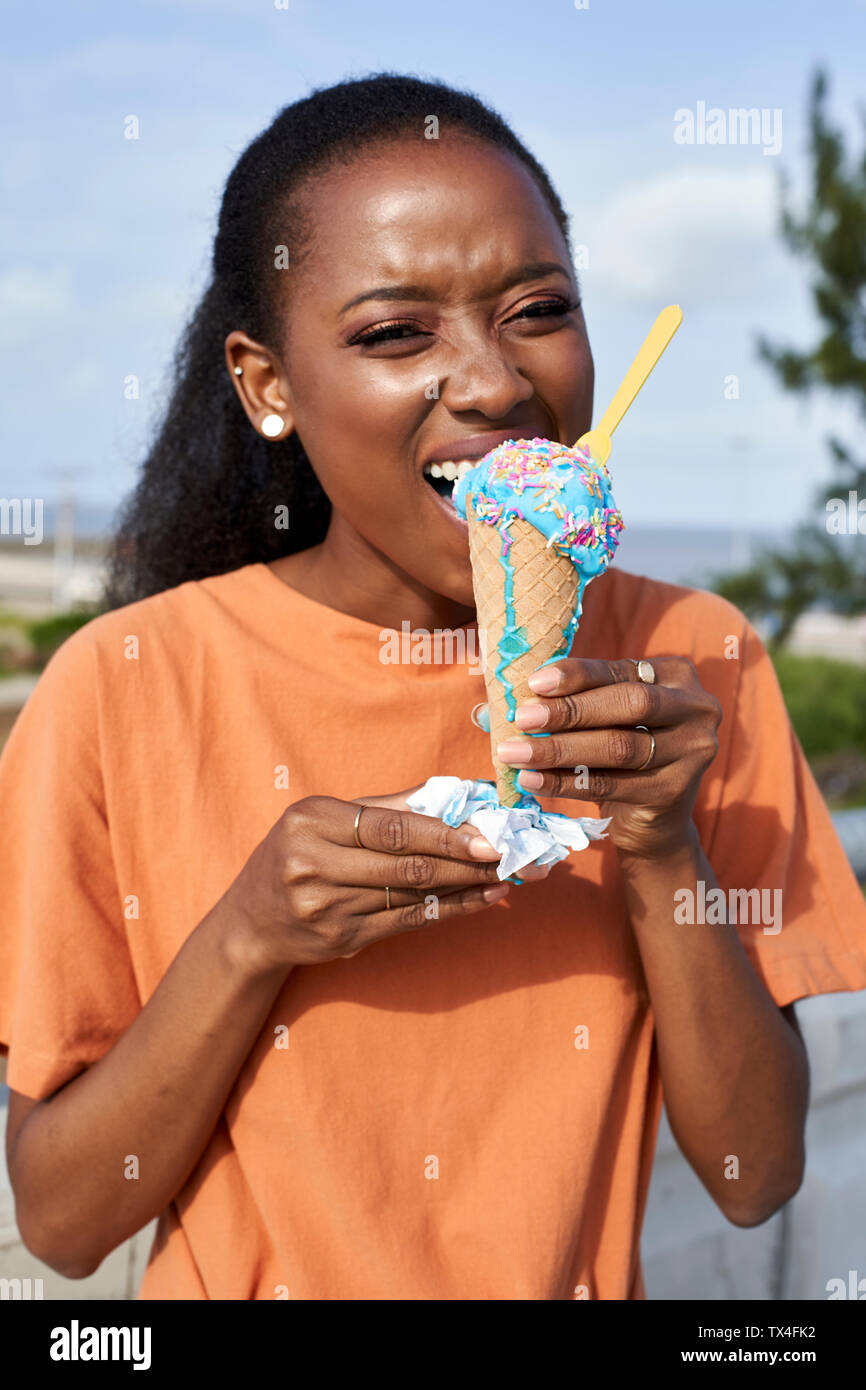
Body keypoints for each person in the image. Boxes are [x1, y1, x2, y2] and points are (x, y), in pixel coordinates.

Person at [2, 73, 865, 1302]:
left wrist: (662, 846)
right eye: (395, 333)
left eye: (536, 309)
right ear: (267, 385)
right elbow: (64, 1220)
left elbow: (750, 1170)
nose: (495, 384)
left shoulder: (693, 660)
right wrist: (250, 935)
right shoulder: (121, 687)